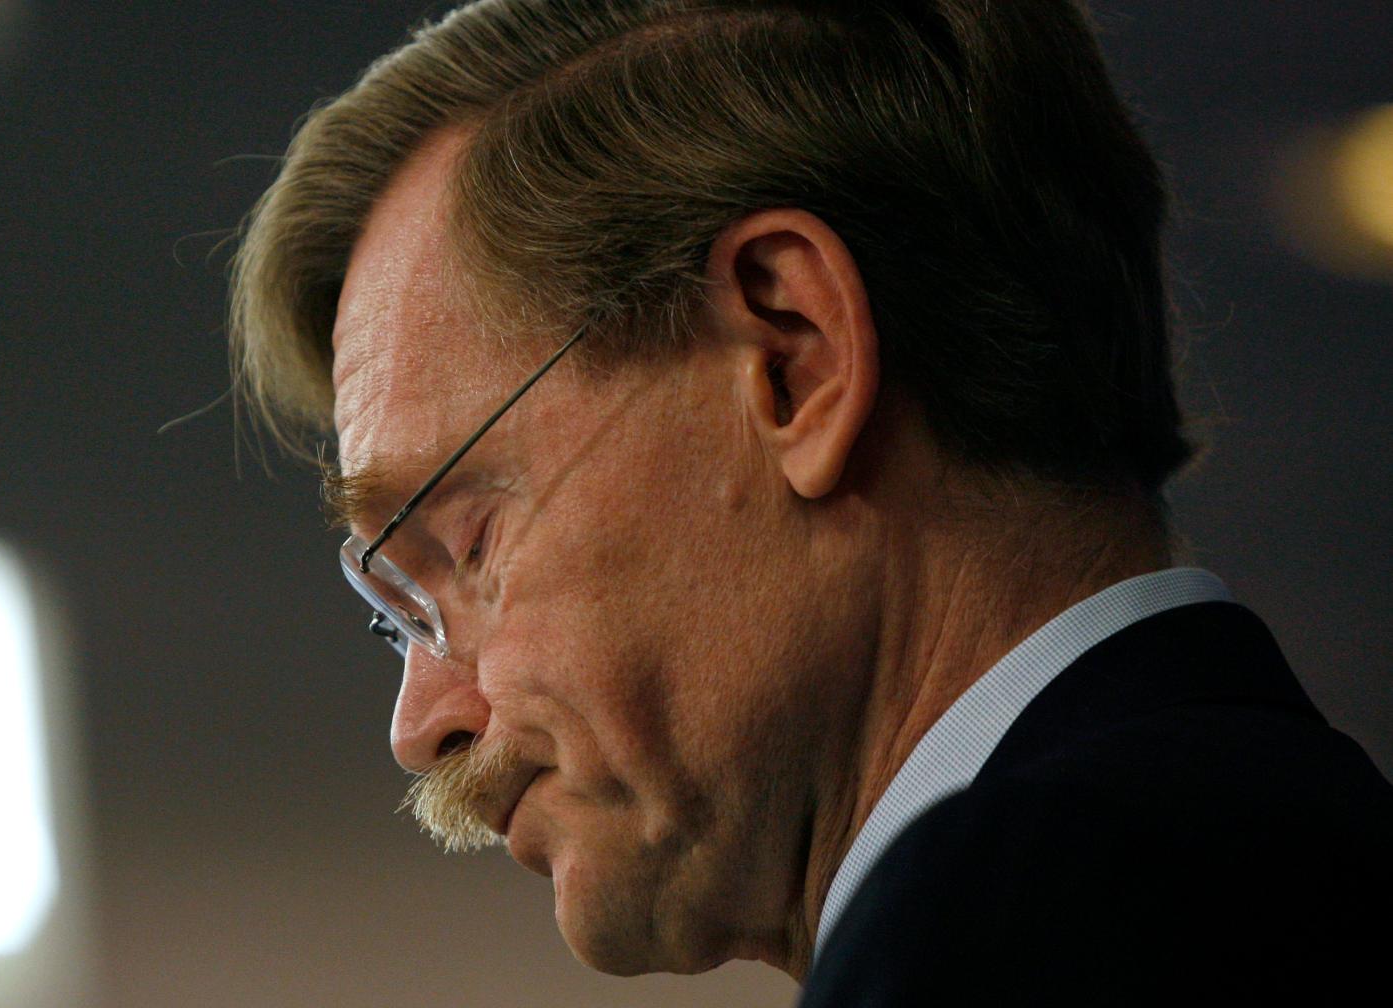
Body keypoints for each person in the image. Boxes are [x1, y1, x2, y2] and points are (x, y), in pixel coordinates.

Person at [227, 0, 1393, 1001]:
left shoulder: (1026, 926)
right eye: (399, 609)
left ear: (795, 357)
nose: (421, 720)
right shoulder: (1281, 853)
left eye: (467, 546)